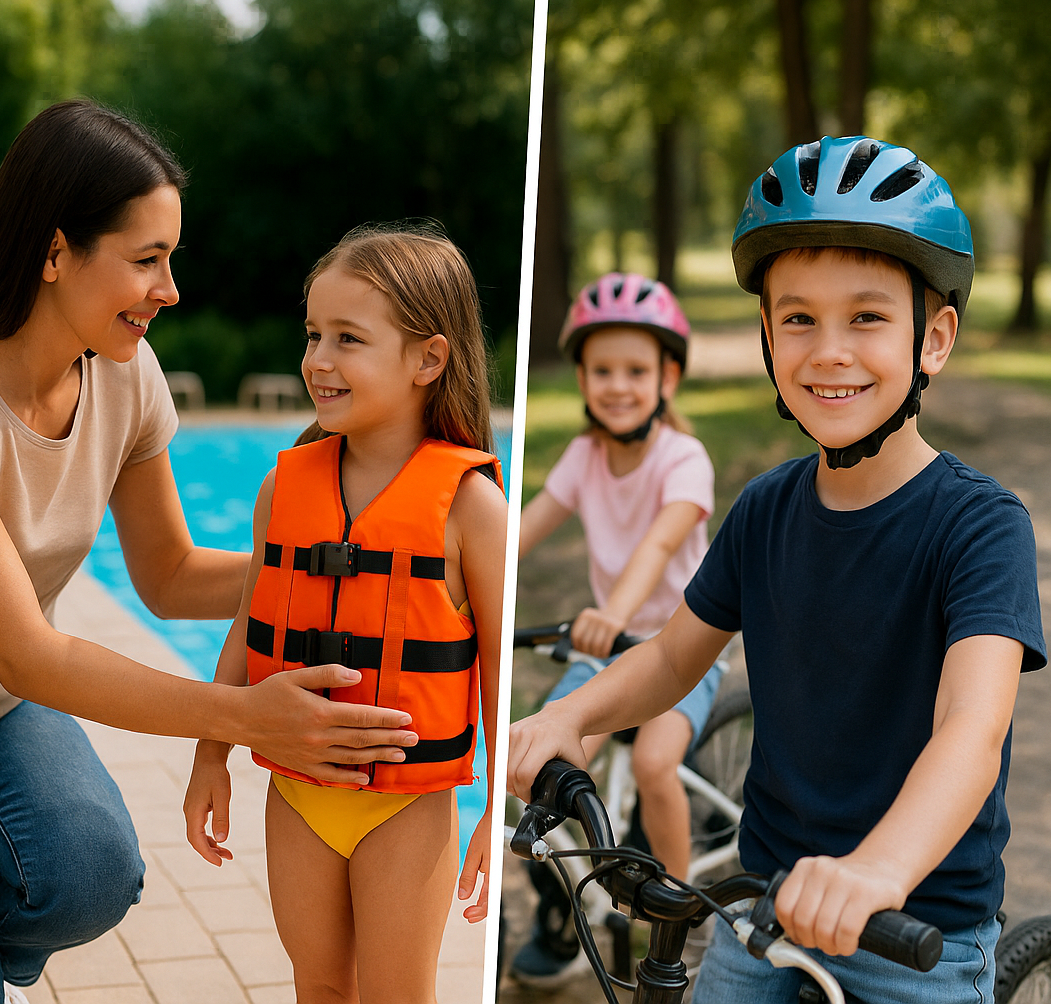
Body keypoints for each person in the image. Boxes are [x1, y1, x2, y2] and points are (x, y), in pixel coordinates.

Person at [508, 136, 1044, 1003]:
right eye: (799, 318)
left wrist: (877, 870)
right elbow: (675, 656)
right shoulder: (765, 509)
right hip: (762, 905)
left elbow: (970, 735)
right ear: (767, 335)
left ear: (934, 338)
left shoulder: (980, 527)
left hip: (915, 926)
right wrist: (570, 714)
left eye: (867, 317)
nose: (828, 351)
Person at [0, 100, 420, 1003]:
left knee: (94, 873)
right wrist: (241, 718)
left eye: (169, 259)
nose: (171, 289)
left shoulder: (127, 372)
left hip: (0, 709)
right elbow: (29, 652)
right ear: (55, 254)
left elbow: (168, 576)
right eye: (147, 260)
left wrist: (350, 569)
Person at [183, 223, 507, 1003]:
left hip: (404, 809)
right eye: (313, 334)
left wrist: (498, 807)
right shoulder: (282, 487)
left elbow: (496, 669)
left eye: (349, 339)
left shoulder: (472, 507)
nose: (318, 361)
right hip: (297, 796)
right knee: (320, 989)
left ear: (429, 358)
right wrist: (208, 756)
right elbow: (246, 629)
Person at [510, 273, 720, 984]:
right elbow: (525, 526)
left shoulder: (684, 459)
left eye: (636, 370)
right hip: (606, 652)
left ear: (669, 377)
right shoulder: (584, 455)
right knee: (537, 763)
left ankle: (677, 910)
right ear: (581, 377)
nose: (619, 386)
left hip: (679, 648)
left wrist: (616, 617)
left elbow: (660, 545)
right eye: (603, 370)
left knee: (658, 763)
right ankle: (563, 908)